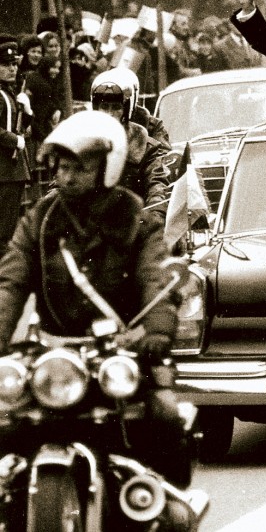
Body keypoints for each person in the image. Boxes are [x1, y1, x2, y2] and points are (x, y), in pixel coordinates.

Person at [0, 113, 197, 518]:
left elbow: (155, 276)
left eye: (80, 168)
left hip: (121, 349)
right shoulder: (40, 219)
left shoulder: (135, 218)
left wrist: (157, 331)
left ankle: (161, 506)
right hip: (55, 357)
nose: (67, 177)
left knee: (164, 416)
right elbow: (11, 282)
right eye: (62, 167)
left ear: (108, 168)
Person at [90, 70, 172, 225]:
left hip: (132, 223)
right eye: (104, 106)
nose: (110, 114)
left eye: (116, 107)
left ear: (126, 109)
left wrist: (153, 218)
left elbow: (157, 185)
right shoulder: (82, 141)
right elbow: (60, 185)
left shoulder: (145, 145)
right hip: (89, 226)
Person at [0, 40, 30, 247]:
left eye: (14, 64)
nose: (12, 69)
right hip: (5, 171)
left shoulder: (9, 92)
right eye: (5, 64)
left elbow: (19, 126)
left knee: (8, 228)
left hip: (12, 171)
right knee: (3, 232)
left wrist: (27, 111)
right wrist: (14, 141)